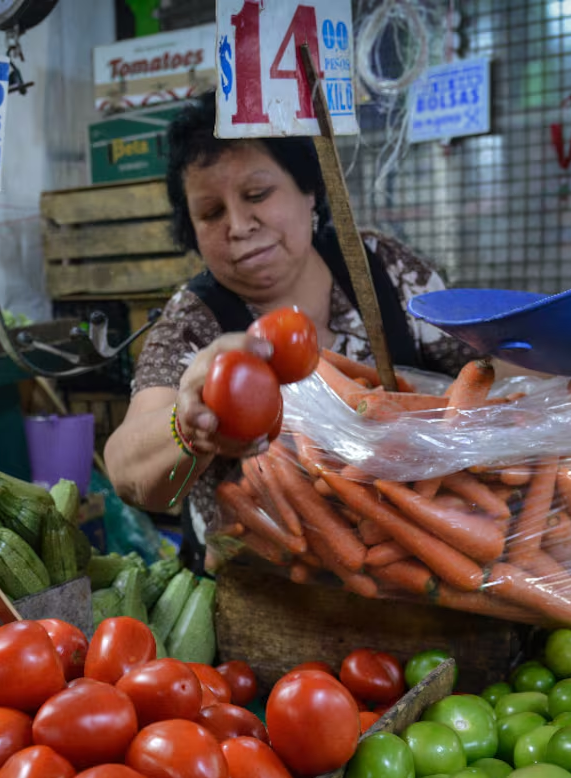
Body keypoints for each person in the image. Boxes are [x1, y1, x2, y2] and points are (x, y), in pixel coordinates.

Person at [103, 93, 475, 572]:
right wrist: (188, 426)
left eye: (258, 194)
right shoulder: (190, 325)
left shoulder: (382, 269)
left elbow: (486, 376)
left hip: (419, 567)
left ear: (309, 190)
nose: (239, 226)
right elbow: (128, 475)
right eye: (211, 213)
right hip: (257, 587)